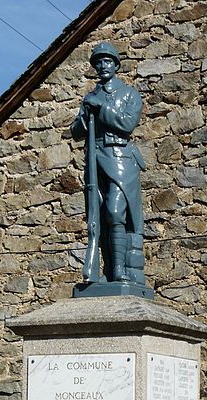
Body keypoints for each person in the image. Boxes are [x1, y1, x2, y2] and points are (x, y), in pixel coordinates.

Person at [71, 42, 146, 286]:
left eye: (107, 61)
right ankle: (106, 272)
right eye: (98, 62)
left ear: (116, 65)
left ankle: (120, 270)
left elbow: (126, 124)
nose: (103, 66)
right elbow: (76, 132)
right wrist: (85, 115)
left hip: (120, 158)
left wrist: (101, 108)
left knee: (115, 212)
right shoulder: (91, 96)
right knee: (99, 217)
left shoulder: (129, 94)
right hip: (95, 158)